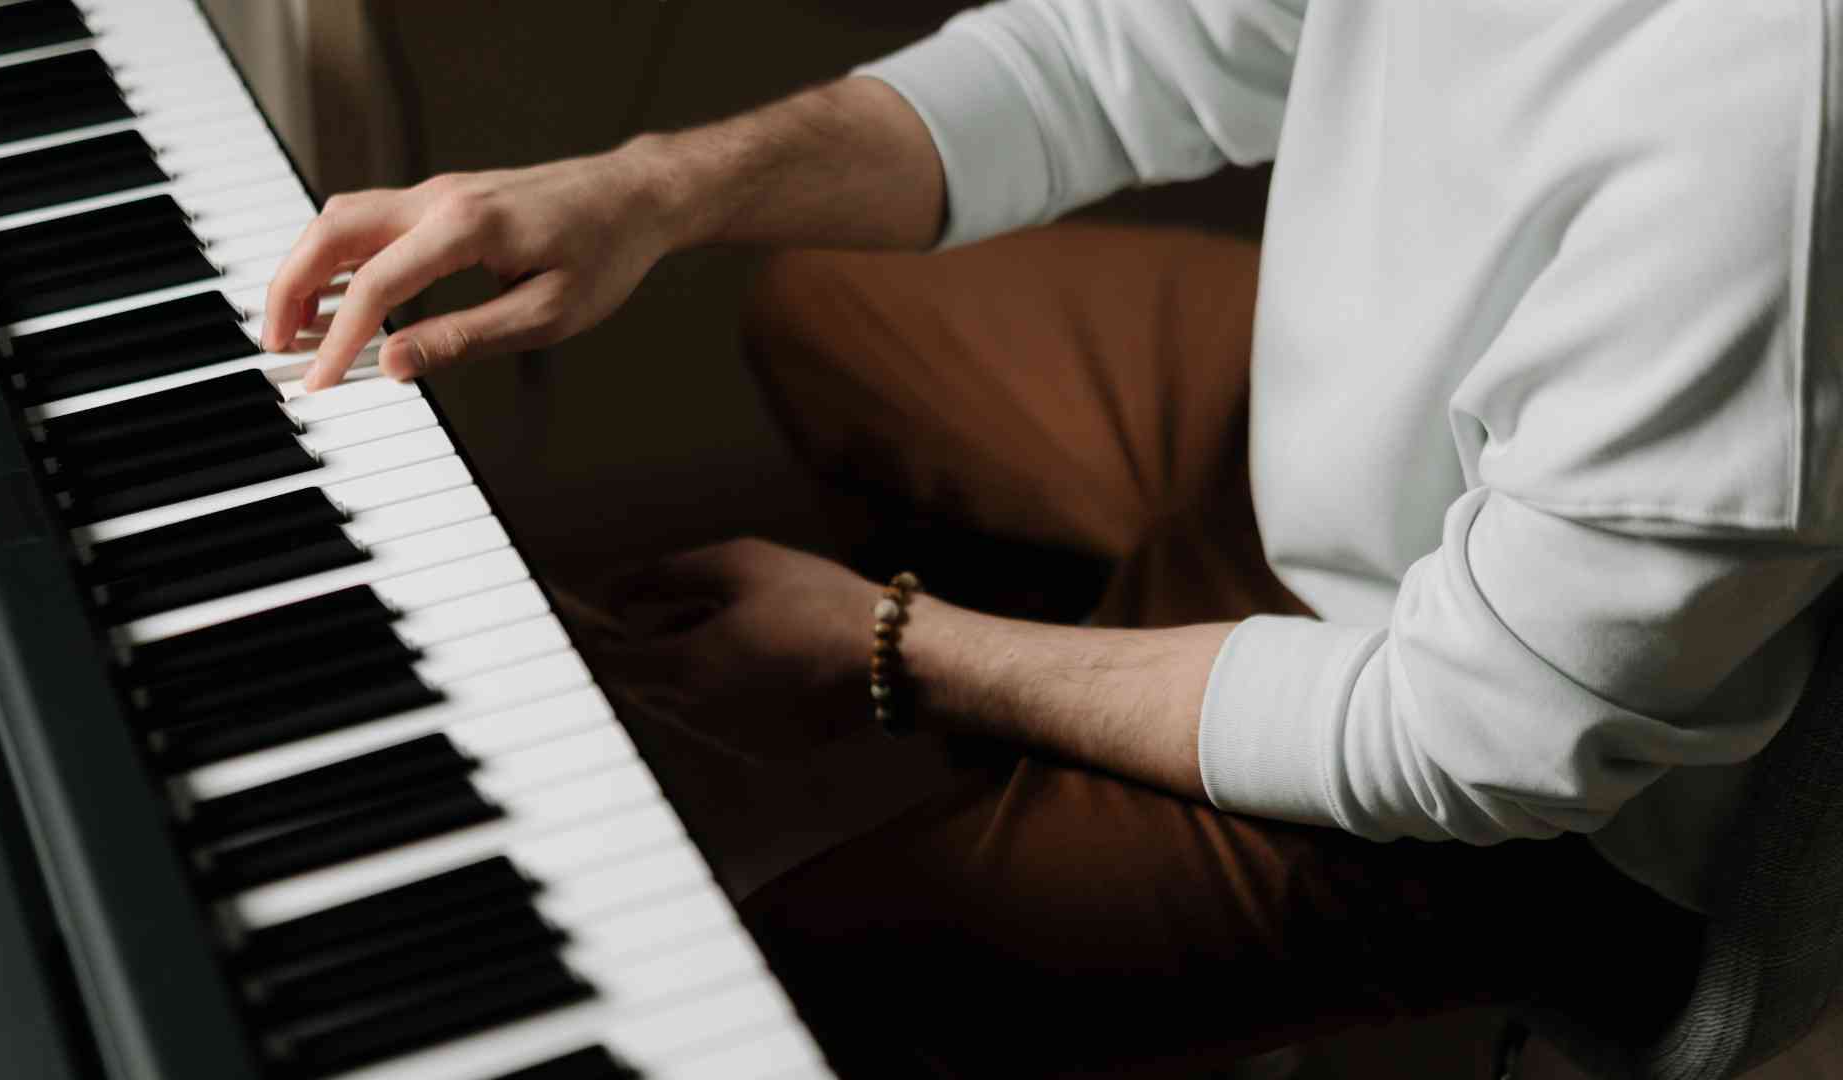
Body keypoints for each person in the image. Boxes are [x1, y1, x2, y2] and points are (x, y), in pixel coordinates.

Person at [264, 2, 1840, 1074]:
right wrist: (648, 190)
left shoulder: (1772, 135)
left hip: (1517, 787)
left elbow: (1475, 739)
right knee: (834, 313)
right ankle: (1081, 778)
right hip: (1358, 460)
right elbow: (1114, 51)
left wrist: (893, 645)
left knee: (807, 971)